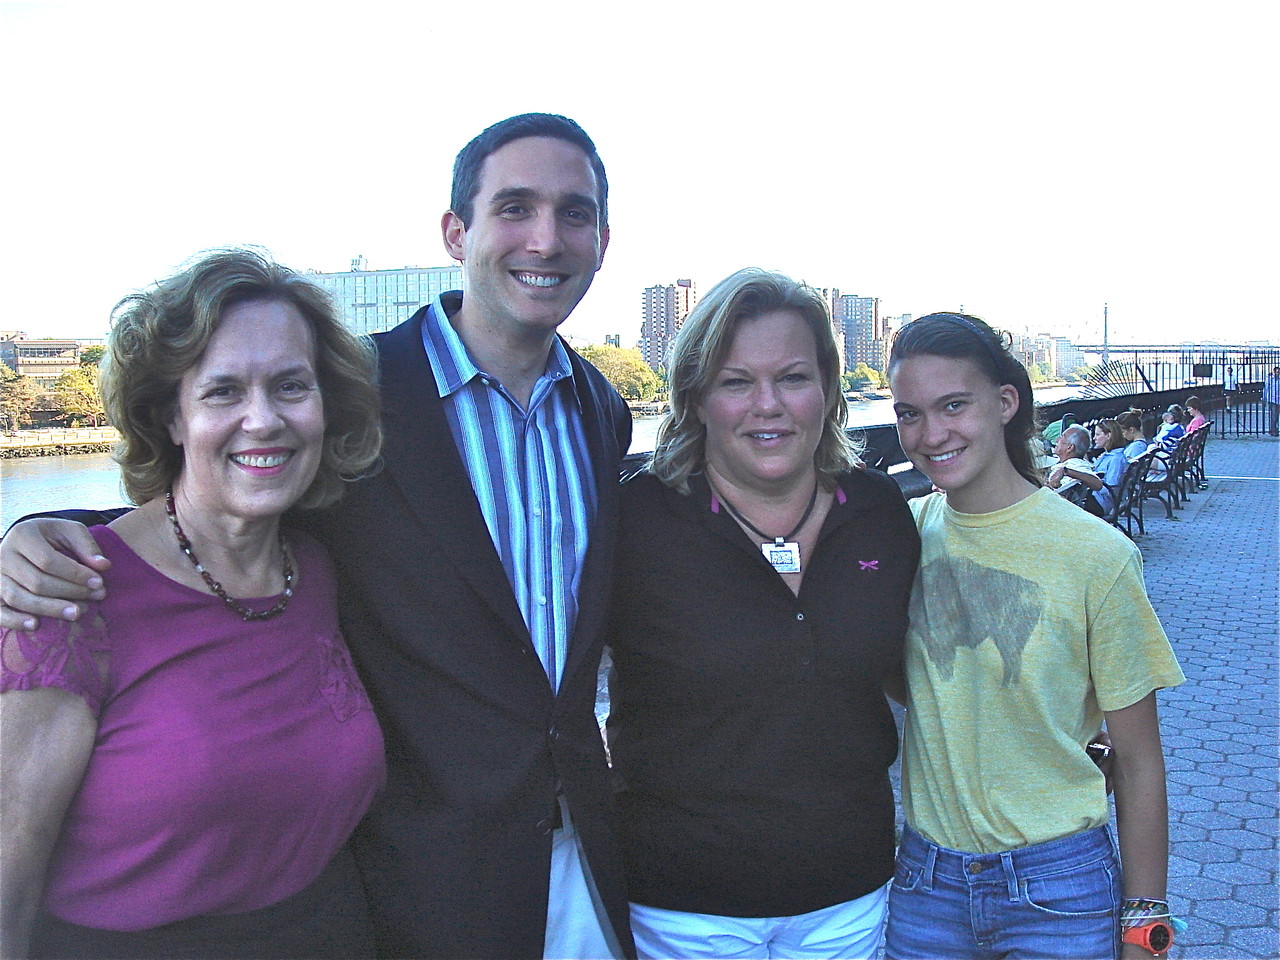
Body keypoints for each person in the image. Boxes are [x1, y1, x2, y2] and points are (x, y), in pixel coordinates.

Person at [0, 114, 635, 960]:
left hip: (582, 865)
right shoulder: (355, 396)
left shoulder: (600, 410)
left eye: (575, 213)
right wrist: (40, 532)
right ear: (457, 232)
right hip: (421, 885)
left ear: (603, 237)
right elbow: (217, 498)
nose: (546, 238)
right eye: (514, 207)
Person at [0, 249, 386, 959]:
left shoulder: (320, 569)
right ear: (170, 417)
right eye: (222, 392)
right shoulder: (66, 599)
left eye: (291, 386)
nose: (263, 419)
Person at [605, 269, 920, 959]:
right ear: (695, 396)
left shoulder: (879, 515)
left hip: (849, 897)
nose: (768, 405)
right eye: (736, 381)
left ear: (829, 388)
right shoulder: (633, 523)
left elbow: (918, 672)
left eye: (793, 378)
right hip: (684, 911)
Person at [884, 312, 1186, 960]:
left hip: (1059, 888)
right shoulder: (896, 536)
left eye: (954, 405)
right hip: (925, 885)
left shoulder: (1095, 555)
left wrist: (1147, 933)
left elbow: (1138, 761)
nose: (930, 433)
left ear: (1005, 402)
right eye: (909, 413)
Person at [1046, 425, 1105, 514]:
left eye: (1062, 437)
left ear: (1070, 447)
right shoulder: (1070, 463)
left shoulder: (1075, 465)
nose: (1057, 440)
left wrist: (1065, 471)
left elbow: (1098, 484)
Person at [1091, 419, 1129, 515]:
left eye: (1098, 434)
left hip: (1101, 502)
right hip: (1097, 498)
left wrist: (1090, 482)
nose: (1094, 438)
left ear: (1108, 435)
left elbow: (1112, 487)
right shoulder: (1108, 455)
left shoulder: (1116, 459)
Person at [1264, 366, 1280, 437]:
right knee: (1273, 415)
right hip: (1272, 399)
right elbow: (1266, 388)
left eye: (1279, 372)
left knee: (1276, 416)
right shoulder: (1270, 379)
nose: (1278, 373)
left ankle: (1274, 429)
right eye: (1277, 372)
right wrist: (1264, 398)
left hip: (1279, 399)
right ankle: (1273, 431)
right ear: (1274, 372)